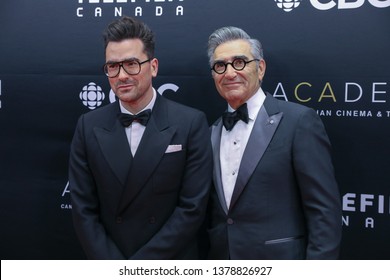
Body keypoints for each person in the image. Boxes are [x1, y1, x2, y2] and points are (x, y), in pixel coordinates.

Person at [69, 16, 213, 259]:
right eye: (113, 66)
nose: (122, 75)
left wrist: (141, 267)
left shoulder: (190, 123)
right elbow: (83, 210)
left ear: (153, 66)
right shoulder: (88, 126)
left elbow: (192, 209)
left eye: (132, 63)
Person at [206, 26, 342, 259]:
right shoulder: (211, 132)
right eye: (220, 65)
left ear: (260, 68)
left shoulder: (299, 122)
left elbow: (324, 213)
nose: (229, 73)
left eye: (239, 62)